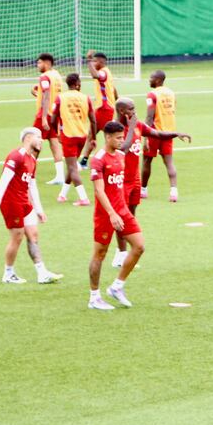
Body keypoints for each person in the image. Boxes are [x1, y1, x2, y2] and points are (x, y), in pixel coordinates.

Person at [111, 98, 191, 268]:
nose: (134, 111)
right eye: (131, 109)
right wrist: (131, 128)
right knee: (122, 216)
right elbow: (123, 148)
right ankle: (121, 254)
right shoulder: (115, 129)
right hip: (121, 181)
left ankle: (121, 254)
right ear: (122, 111)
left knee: (131, 216)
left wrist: (176, 134)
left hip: (135, 179)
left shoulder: (138, 125)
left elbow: (157, 134)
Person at [0, 127, 63, 285]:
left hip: (24, 202)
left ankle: (42, 273)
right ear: (28, 138)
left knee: (33, 235)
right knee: (17, 236)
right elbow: (4, 179)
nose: (42, 140)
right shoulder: (16, 156)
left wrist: (39, 209)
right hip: (11, 202)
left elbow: (32, 186)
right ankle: (8, 273)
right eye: (39, 137)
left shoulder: (32, 159)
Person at [87, 121, 141, 310]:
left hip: (122, 211)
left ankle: (117, 287)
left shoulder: (120, 156)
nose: (121, 141)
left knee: (139, 246)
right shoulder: (99, 159)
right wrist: (111, 213)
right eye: (118, 138)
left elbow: (117, 186)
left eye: (122, 137)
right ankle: (94, 297)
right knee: (100, 254)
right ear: (108, 137)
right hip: (105, 215)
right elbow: (99, 191)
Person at [51, 73, 96, 206]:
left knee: (72, 167)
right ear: (77, 84)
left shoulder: (60, 98)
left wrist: (57, 133)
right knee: (72, 166)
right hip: (82, 136)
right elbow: (93, 120)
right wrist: (92, 138)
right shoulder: (86, 98)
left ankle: (83, 198)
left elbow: (53, 119)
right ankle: (62, 194)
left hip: (68, 136)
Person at [141, 70, 181, 202]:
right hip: (169, 132)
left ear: (158, 80)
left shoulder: (152, 94)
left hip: (155, 132)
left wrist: (145, 137)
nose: (149, 80)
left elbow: (149, 116)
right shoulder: (171, 93)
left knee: (147, 161)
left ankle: (143, 190)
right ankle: (174, 192)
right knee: (169, 162)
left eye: (151, 77)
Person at [79, 51, 118, 168]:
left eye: (95, 61)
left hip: (104, 109)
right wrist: (116, 98)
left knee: (107, 135)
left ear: (101, 62)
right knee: (93, 134)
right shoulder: (107, 72)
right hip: (104, 108)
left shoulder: (103, 73)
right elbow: (113, 89)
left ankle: (111, 159)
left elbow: (95, 75)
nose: (94, 63)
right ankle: (84, 161)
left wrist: (89, 60)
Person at [32, 53, 65, 185]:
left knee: (33, 141)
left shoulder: (44, 76)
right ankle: (60, 176)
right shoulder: (57, 75)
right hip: (55, 113)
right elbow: (50, 94)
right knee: (54, 144)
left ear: (47, 63)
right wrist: (36, 93)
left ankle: (29, 174)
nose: (38, 65)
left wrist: (44, 117)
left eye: (39, 63)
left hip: (45, 113)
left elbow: (46, 95)